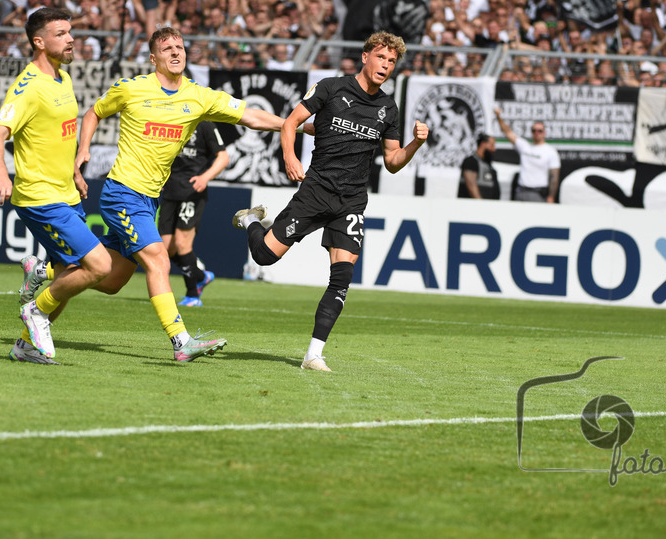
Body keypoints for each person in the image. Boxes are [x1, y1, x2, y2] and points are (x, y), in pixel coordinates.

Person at [75, 26, 287, 361]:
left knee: (112, 281)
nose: (176, 52)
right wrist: (83, 149)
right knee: (160, 259)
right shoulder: (131, 88)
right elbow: (93, 113)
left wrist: (296, 124)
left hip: (150, 200)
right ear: (153, 58)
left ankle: (46, 269)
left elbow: (251, 116)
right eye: (167, 48)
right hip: (122, 192)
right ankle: (181, 342)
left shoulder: (198, 96)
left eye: (180, 47)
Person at [231, 31, 430, 373]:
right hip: (316, 190)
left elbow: (393, 162)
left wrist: (415, 144)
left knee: (342, 278)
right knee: (264, 256)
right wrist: (290, 157)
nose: (386, 65)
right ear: (365, 56)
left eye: (392, 61)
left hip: (351, 201)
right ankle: (251, 220)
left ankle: (313, 355)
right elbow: (291, 123)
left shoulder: (388, 108)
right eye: (381, 57)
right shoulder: (330, 88)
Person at [0, 7, 114, 365]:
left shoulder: (63, 78)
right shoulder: (28, 87)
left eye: (70, 32)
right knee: (100, 266)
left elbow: (59, 134)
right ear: (39, 42)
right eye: (61, 34)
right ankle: (36, 310)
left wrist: (74, 171)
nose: (71, 39)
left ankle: (26, 345)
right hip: (40, 197)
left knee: (72, 276)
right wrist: (0, 173)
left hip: (65, 192)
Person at [159, 120, 230, 307]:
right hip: (169, 191)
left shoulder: (205, 124)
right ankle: (200, 276)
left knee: (182, 243)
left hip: (192, 192)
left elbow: (223, 157)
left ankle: (193, 295)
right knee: (165, 248)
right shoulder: (172, 118)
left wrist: (205, 177)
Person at [494, 108, 560, 203]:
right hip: (521, 191)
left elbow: (554, 176)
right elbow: (508, 132)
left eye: (540, 131)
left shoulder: (550, 151)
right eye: (534, 130)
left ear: (544, 133)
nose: (536, 133)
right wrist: (498, 117)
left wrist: (551, 196)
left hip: (538, 193)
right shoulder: (525, 146)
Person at [458, 132, 499, 199]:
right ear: (483, 144)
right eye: (492, 145)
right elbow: (471, 185)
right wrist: (480, 203)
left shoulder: (487, 165)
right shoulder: (471, 162)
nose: (494, 149)